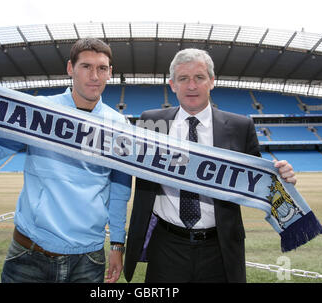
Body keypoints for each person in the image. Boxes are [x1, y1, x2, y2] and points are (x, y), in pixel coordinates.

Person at [0, 38, 132, 283]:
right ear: (70, 68)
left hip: (88, 258)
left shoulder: (120, 126)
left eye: (102, 68)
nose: (94, 76)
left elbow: (119, 191)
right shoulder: (38, 110)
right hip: (30, 251)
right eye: (86, 66)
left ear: (110, 73)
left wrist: (117, 244)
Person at [124, 48, 297, 283]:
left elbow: (256, 179)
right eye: (183, 79)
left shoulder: (239, 126)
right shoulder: (153, 122)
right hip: (166, 245)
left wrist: (280, 176)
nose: (191, 86)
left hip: (220, 246)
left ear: (212, 82)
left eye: (199, 77)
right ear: (172, 84)